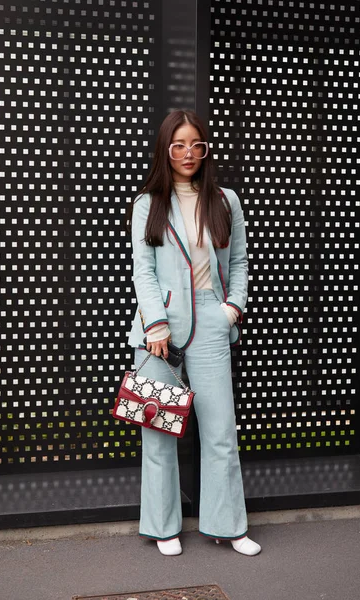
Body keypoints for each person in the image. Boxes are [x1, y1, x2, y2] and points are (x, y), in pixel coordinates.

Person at [126, 109, 261, 557]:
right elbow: (143, 273)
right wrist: (155, 323)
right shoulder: (148, 203)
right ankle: (164, 528)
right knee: (159, 429)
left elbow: (238, 263)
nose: (189, 153)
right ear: (166, 149)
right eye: (179, 145)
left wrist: (231, 309)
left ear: (205, 150)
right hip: (158, 327)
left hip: (211, 319)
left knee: (221, 429)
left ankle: (228, 524)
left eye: (196, 145)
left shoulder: (225, 200)